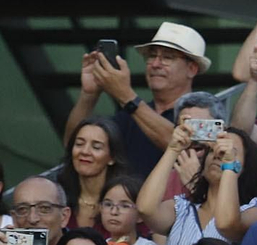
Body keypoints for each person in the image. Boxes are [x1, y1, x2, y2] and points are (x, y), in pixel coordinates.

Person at [65, 22, 210, 177]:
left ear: (192, 69)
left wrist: (126, 95)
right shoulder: (128, 116)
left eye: (167, 58)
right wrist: (89, 95)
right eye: (152, 56)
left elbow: (184, 145)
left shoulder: (206, 111)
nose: (155, 64)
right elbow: (72, 144)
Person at [137, 120, 257, 245]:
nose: (218, 155)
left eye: (229, 151)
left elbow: (227, 224)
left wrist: (229, 166)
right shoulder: (182, 208)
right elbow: (145, 208)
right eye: (213, 150)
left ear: (248, 166)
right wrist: (173, 149)